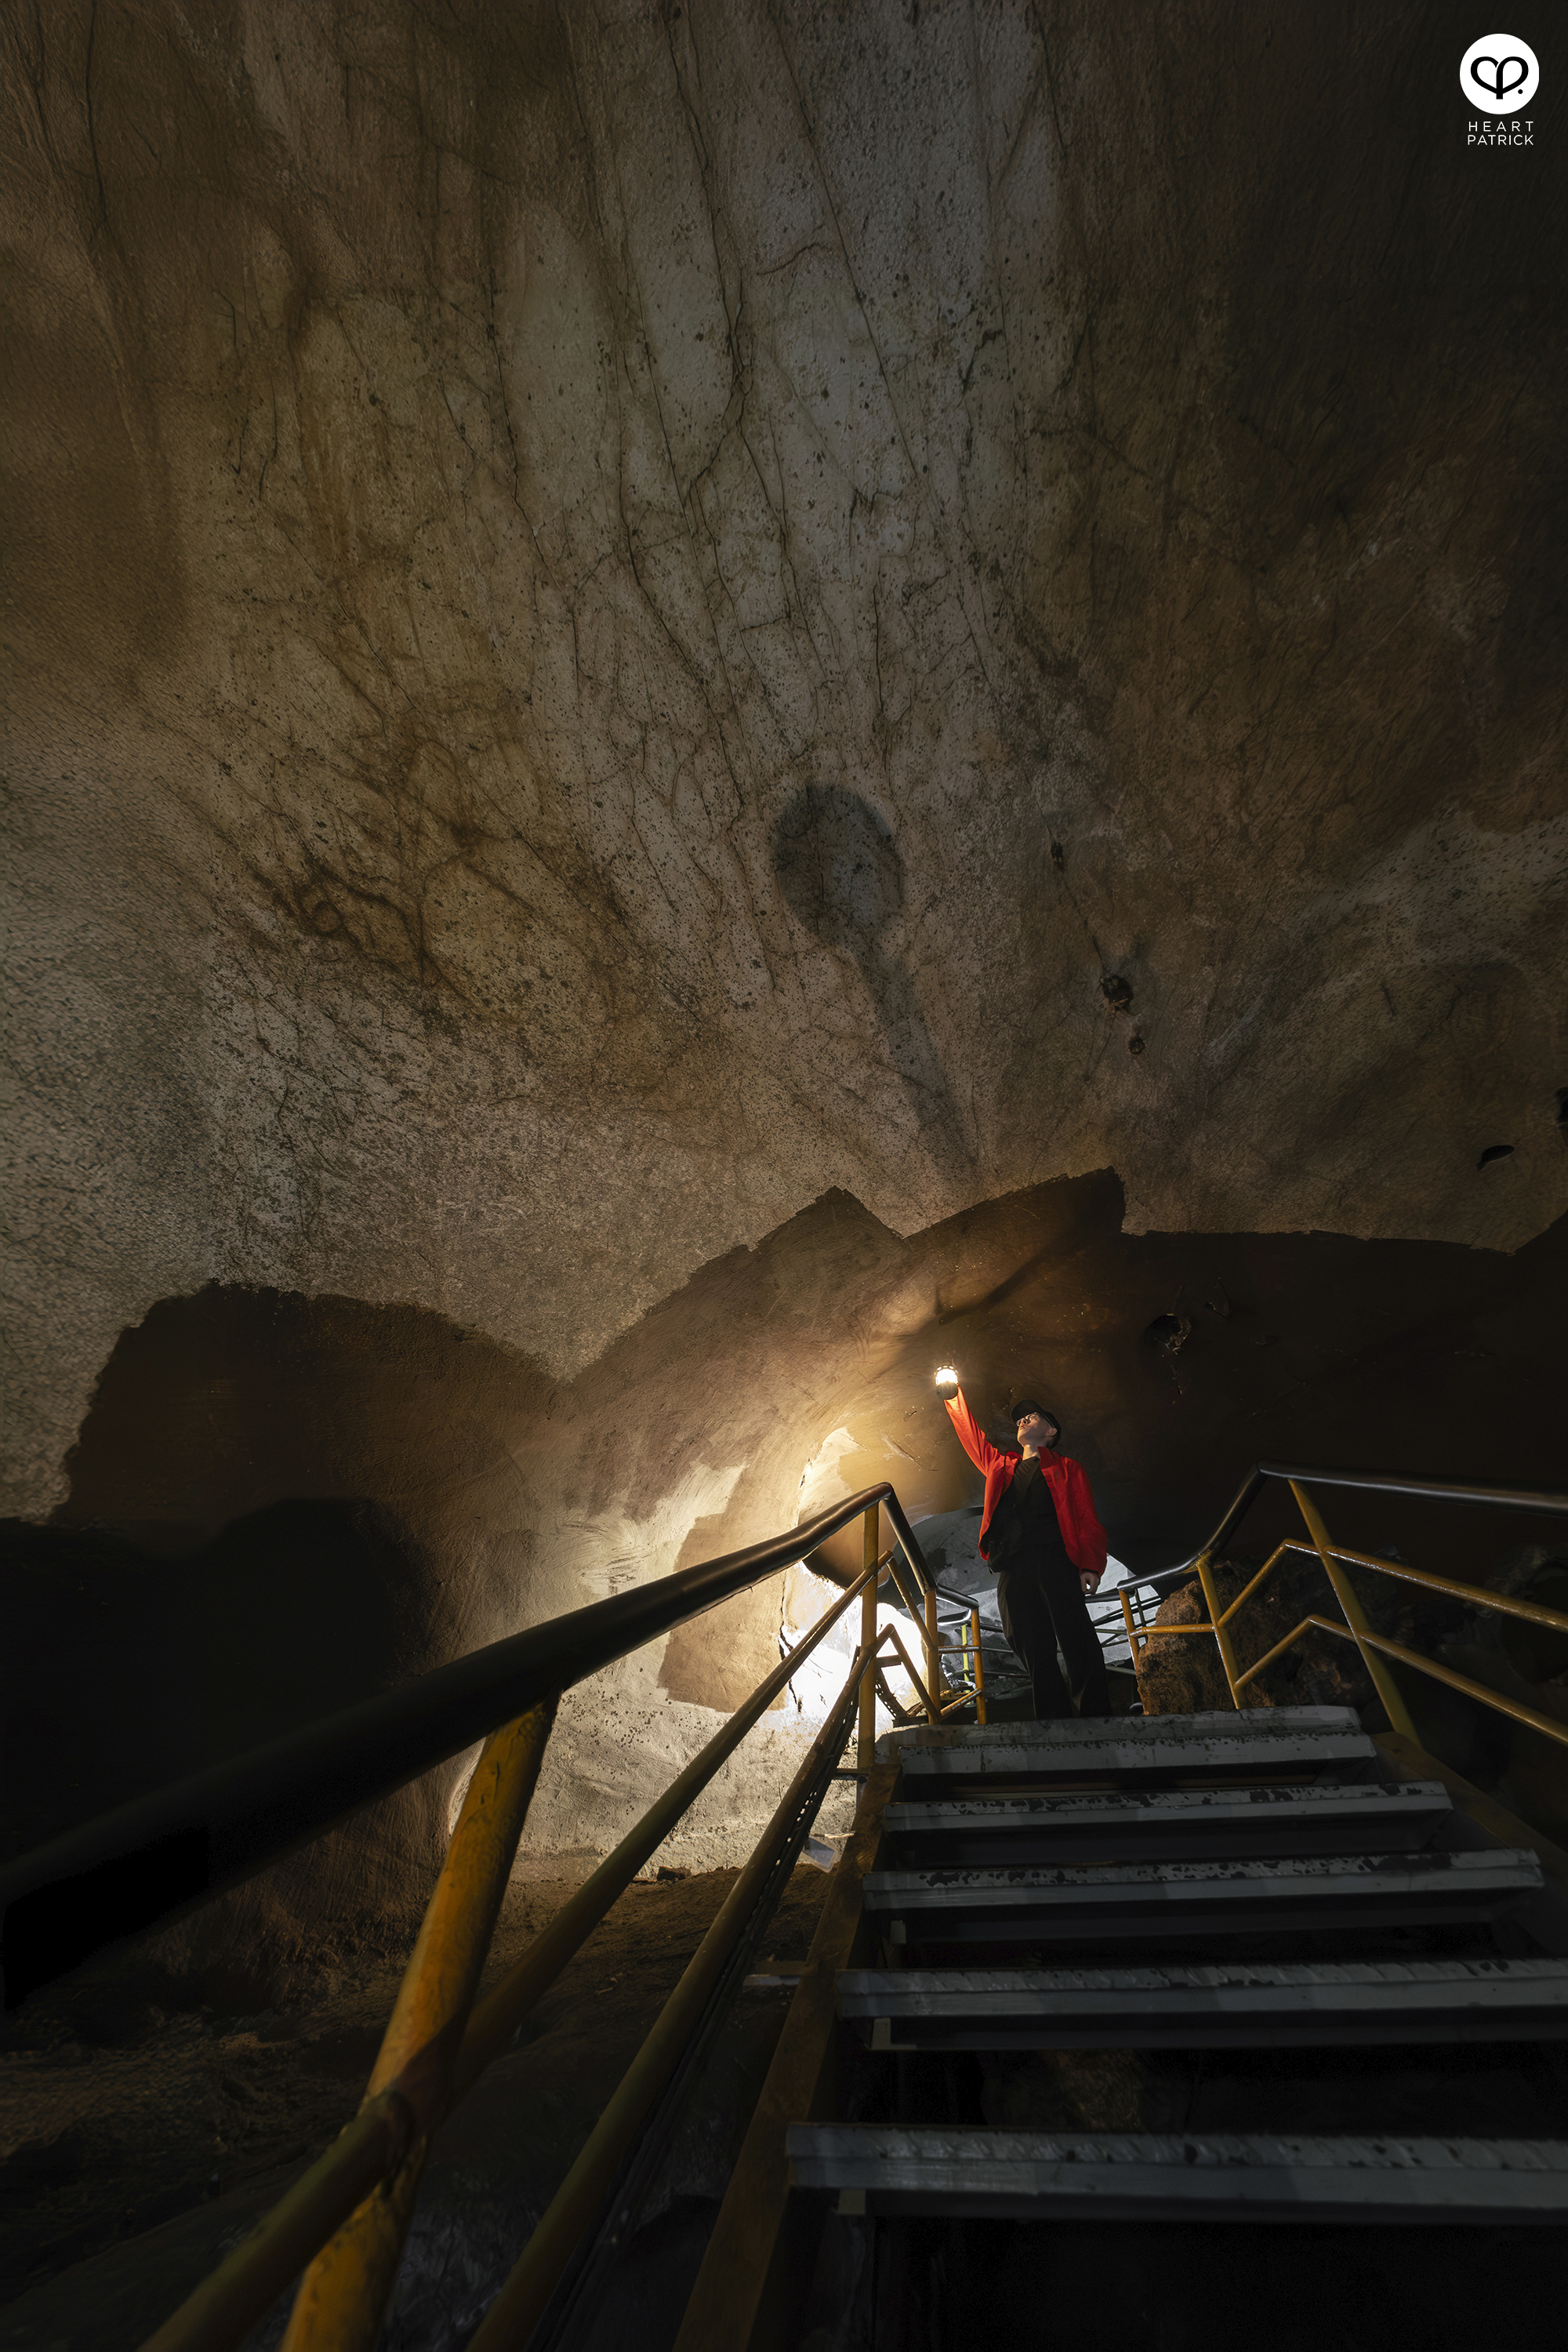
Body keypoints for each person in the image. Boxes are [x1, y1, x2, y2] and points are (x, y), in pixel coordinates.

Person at [942, 1382, 1111, 1719]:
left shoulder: (1069, 1468)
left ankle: (1095, 1714)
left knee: (1074, 1633)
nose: (1023, 1420)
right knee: (1025, 1638)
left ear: (1051, 1431)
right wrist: (953, 1397)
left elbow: (1087, 1519)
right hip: (1013, 1563)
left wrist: (1090, 1565)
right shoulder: (1000, 1467)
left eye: (1032, 1417)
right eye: (1020, 1419)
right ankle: (1052, 1717)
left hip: (1056, 1558)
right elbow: (972, 1438)